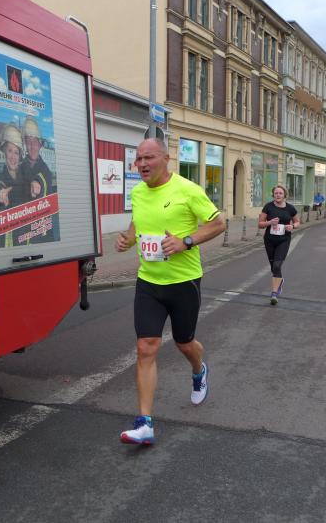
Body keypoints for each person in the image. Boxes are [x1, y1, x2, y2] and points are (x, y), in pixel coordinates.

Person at [115, 138, 226, 445]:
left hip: (183, 281)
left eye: (148, 157)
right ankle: (144, 424)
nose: (142, 164)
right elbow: (138, 223)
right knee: (146, 347)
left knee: (184, 342)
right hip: (148, 282)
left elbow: (218, 224)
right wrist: (128, 239)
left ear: (166, 158)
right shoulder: (138, 193)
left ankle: (199, 369)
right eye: (139, 159)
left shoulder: (188, 190)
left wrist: (185, 241)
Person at [0, 124, 31, 247]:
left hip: (25, 239)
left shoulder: (26, 179)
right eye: (10, 151)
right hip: (4, 244)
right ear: (4, 152)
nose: (13, 157)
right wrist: (0, 198)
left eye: (16, 153)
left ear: (20, 156)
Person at [259, 185, 300, 305]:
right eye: (276, 193)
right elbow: (260, 224)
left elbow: (297, 222)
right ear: (273, 195)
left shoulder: (290, 208)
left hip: (283, 240)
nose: (278, 195)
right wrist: (270, 222)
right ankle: (279, 281)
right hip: (269, 240)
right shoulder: (268, 207)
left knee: (277, 266)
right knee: (274, 267)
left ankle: (274, 293)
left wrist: (292, 226)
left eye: (280, 193)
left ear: (284, 195)